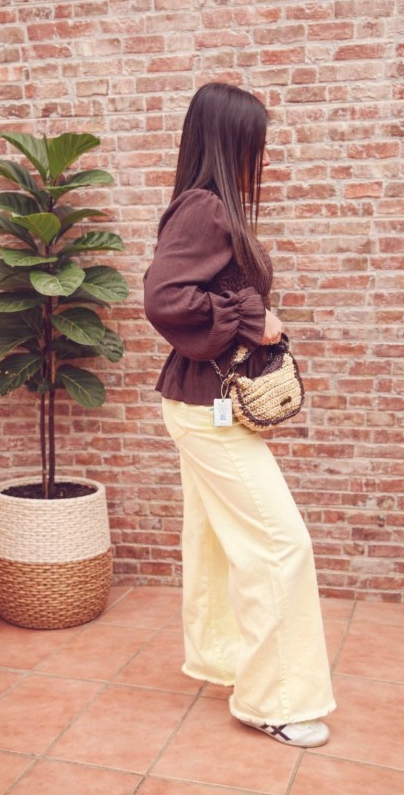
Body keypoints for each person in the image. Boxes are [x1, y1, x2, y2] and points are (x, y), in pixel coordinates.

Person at [143, 82, 336, 748]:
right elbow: (165, 298)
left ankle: (228, 660)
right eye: (258, 143)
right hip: (206, 409)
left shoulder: (208, 207)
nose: (266, 156)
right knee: (281, 544)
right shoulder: (204, 208)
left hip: (202, 405)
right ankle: (274, 701)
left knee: (216, 541)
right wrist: (254, 316)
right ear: (230, 143)